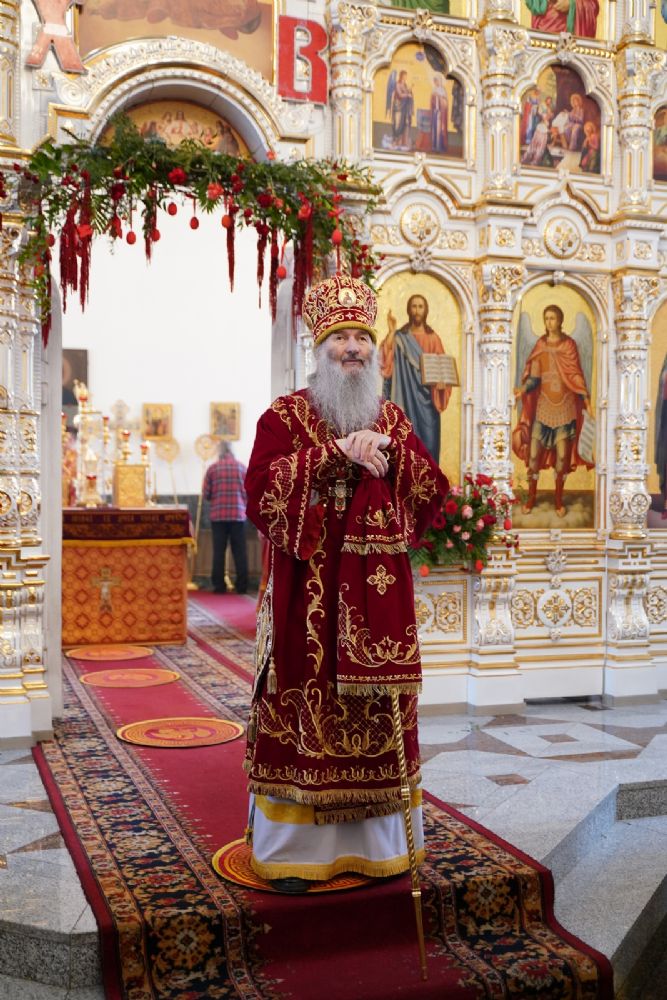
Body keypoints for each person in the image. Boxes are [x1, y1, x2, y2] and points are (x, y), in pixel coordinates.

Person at [243, 273, 448, 892]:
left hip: (376, 613)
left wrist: (390, 449)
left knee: (376, 721)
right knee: (307, 717)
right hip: (305, 605)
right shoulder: (284, 417)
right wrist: (335, 455)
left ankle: (381, 848)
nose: (353, 347)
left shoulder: (391, 418)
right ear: (320, 348)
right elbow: (260, 493)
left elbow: (431, 494)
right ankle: (293, 855)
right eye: (340, 338)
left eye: (361, 336)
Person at [512, 305, 593, 517]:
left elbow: (575, 375)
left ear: (560, 320)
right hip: (543, 408)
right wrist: (522, 390)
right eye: (546, 318)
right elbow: (534, 378)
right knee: (533, 455)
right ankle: (531, 498)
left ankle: (558, 501)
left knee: (563, 457)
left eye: (553, 318)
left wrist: (586, 401)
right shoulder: (540, 345)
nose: (549, 322)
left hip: (565, 408)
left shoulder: (569, 345)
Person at [379, 294, 451, 465]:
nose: (417, 311)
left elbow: (443, 371)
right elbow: (384, 361)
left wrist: (442, 384)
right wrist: (391, 331)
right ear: (408, 310)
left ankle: (430, 479)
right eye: (414, 306)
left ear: (426, 310)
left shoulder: (433, 338)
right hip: (405, 398)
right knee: (406, 443)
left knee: (429, 446)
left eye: (420, 306)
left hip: (429, 404)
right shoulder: (400, 337)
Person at [202, 441, 248, 594]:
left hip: (218, 516)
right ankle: (242, 586)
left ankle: (219, 586)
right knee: (239, 551)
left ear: (219, 452)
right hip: (238, 516)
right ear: (232, 451)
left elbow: (206, 494)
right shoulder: (242, 468)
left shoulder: (212, 469)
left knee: (219, 552)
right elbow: (249, 492)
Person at [523, 0, 599, 37]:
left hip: (570, 38)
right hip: (544, 32)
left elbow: (592, 6)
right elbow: (533, 4)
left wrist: (572, 5)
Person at [391, 70, 414, 149]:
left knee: (403, 123)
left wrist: (410, 90)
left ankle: (400, 141)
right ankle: (395, 140)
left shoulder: (405, 84)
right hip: (398, 106)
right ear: (401, 76)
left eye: (406, 76)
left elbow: (406, 92)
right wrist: (407, 95)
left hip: (404, 107)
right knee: (397, 123)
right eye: (404, 75)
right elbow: (400, 95)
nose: (405, 77)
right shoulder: (397, 84)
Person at [430, 72, 449, 153]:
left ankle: (440, 146)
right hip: (435, 111)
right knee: (435, 128)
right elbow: (432, 101)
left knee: (440, 129)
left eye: (437, 81)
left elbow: (445, 103)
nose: (436, 82)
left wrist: (440, 96)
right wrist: (434, 97)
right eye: (435, 81)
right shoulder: (434, 89)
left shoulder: (443, 90)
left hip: (441, 113)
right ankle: (434, 146)